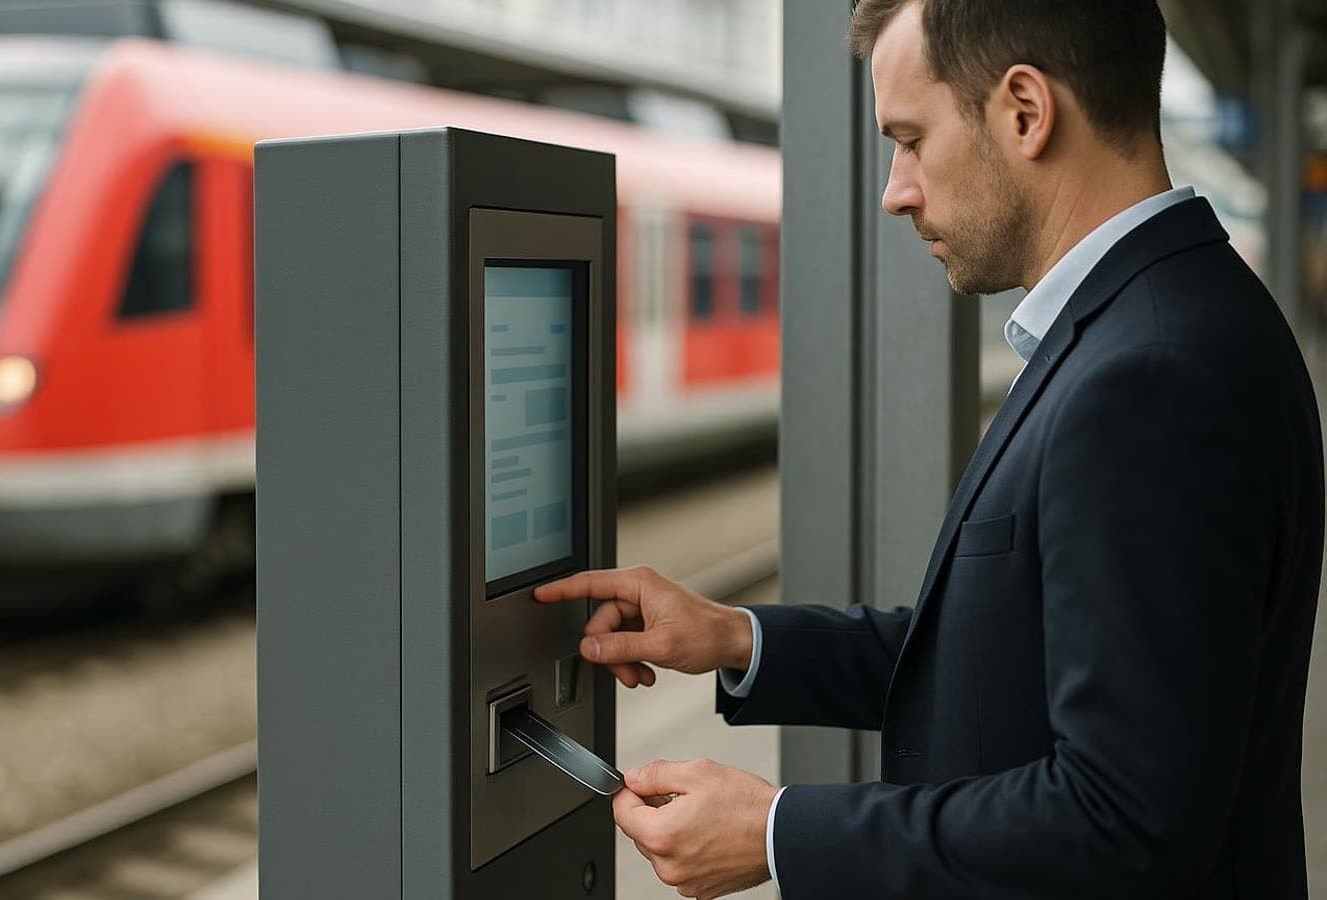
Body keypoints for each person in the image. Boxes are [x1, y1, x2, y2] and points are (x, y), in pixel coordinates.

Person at [533, 1, 1325, 897]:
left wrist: (781, 833)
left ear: (1026, 112)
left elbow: (1126, 819)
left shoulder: (1149, 377)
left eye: (910, 138)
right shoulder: (1152, 322)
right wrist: (729, 637)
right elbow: (1000, 663)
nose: (895, 188)